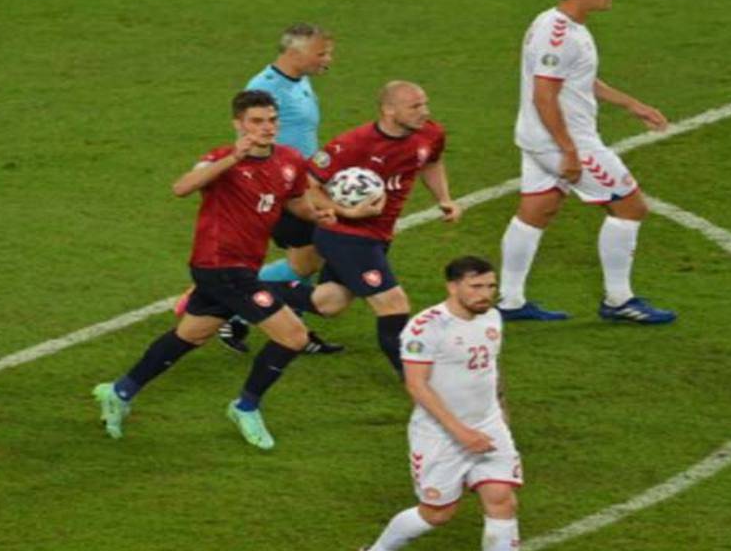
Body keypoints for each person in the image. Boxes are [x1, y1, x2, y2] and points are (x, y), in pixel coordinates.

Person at [92, 91, 325, 450]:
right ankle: (246, 407)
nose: (266, 128)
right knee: (294, 336)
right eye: (256, 122)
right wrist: (234, 157)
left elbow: (297, 203)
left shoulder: (290, 161)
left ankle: (120, 391)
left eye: (272, 120)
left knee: (191, 334)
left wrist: (329, 214)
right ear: (238, 124)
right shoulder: (221, 159)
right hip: (220, 266)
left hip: (243, 265)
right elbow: (182, 187)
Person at [357, 256, 551, 551]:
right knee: (438, 513)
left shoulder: (491, 318)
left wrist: (501, 415)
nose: (485, 294)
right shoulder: (426, 327)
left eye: (490, 287)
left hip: (488, 426)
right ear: (452, 287)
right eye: (476, 287)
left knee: (502, 500)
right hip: (440, 435)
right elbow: (416, 384)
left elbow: (491, 370)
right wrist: (461, 432)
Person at [497, 0, 675, 324]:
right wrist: (569, 149)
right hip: (560, 140)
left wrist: (632, 104)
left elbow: (576, 80)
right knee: (630, 207)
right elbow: (544, 95)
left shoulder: (559, 24)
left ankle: (510, 301)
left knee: (536, 211)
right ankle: (618, 300)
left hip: (537, 137)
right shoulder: (558, 35)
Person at [287, 81, 461, 377]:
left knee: (329, 303)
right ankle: (420, 385)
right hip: (345, 236)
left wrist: (444, 198)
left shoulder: (430, 133)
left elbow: (431, 162)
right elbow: (308, 186)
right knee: (393, 305)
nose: (425, 112)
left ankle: (247, 292)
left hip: (378, 236)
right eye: (415, 106)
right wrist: (347, 211)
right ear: (389, 110)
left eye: (425, 104)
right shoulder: (352, 144)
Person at [211, 23, 342, 355]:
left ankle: (274, 325)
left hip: (305, 181)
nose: (328, 59)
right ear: (295, 53)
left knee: (310, 259)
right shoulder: (265, 90)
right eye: (321, 53)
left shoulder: (300, 80)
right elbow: (250, 142)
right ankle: (230, 302)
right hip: (286, 189)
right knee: (305, 262)